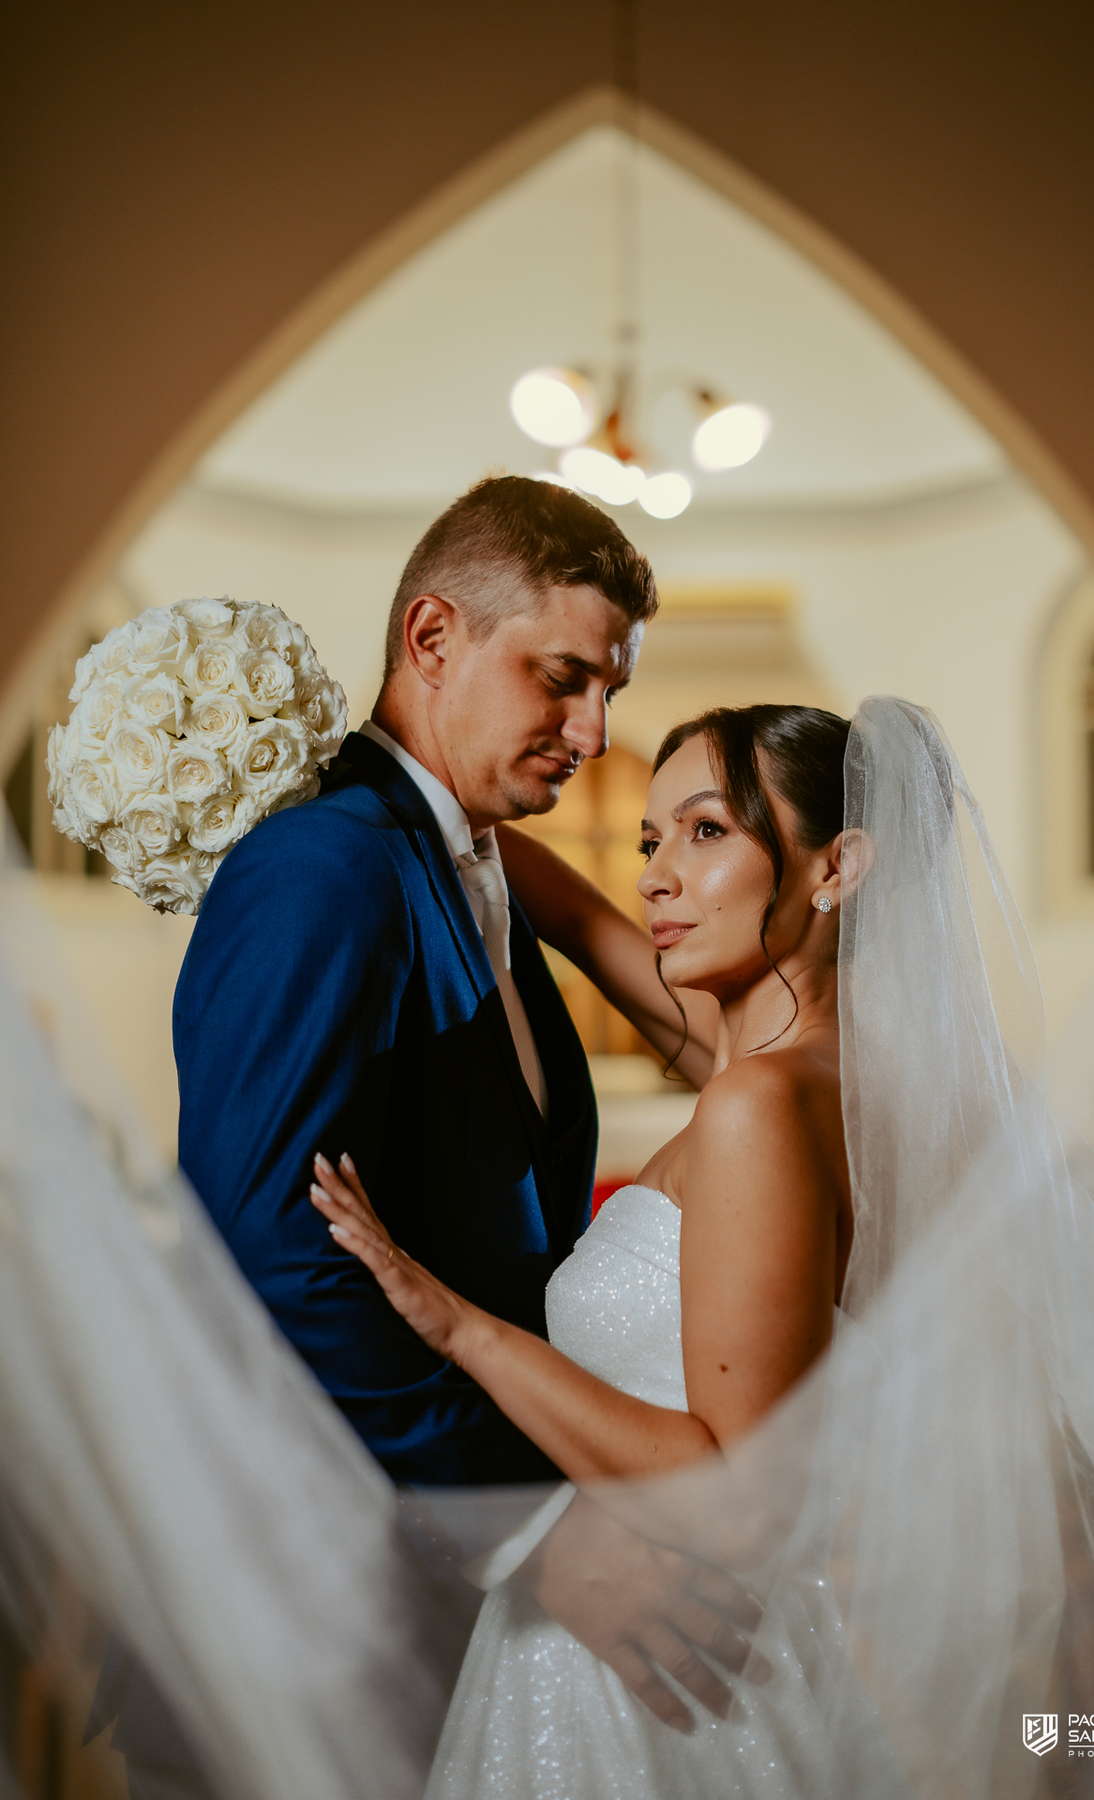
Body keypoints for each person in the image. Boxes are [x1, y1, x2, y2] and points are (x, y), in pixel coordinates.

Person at [94, 477, 772, 1796]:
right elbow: (276, 1254)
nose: (592, 729)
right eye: (563, 678)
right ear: (431, 638)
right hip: (314, 1594)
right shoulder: (325, 867)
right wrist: (538, 1535)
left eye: (611, 691)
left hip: (428, 1591)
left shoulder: (465, 860)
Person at [310, 702, 891, 1796]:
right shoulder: (810, 1077)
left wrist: (457, 1325)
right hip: (710, 1648)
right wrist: (394, 780)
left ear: (837, 867)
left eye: (708, 831)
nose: (657, 876)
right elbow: (569, 908)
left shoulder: (757, 1104)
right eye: (649, 838)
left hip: (671, 1670)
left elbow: (737, 1493)